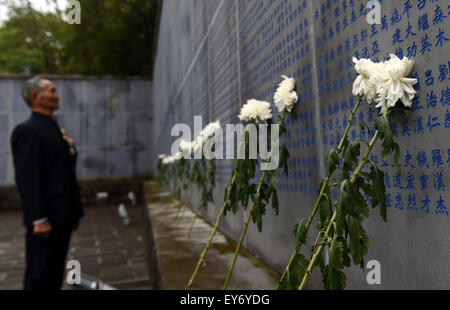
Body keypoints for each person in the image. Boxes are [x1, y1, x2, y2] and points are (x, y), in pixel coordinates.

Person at [10, 76, 84, 290]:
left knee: (54, 273)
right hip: (46, 219)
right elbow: (28, 179)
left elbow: (63, 172)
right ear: (36, 96)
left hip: (62, 214)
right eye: (51, 91)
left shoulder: (52, 127)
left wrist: (74, 210)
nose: (57, 95)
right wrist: (38, 218)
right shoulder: (28, 131)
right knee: (40, 274)